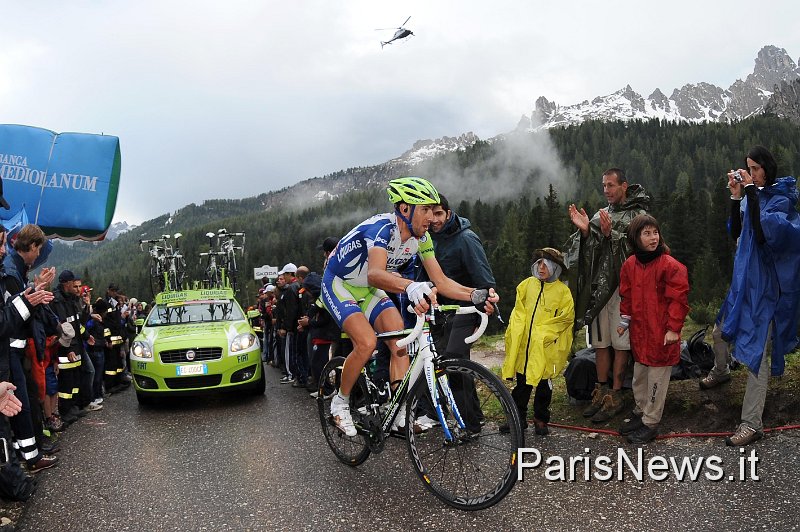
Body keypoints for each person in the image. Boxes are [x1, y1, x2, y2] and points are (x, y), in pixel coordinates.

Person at [321, 177, 498, 437]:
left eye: (433, 209)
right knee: (367, 342)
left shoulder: (421, 238)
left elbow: (441, 281)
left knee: (400, 344)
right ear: (405, 209)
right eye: (425, 209)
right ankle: (340, 402)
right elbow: (375, 274)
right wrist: (410, 286)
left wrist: (476, 295)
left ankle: (397, 410)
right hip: (339, 284)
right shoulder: (382, 229)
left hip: (367, 289)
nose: (431, 217)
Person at [714, 146, 800, 446]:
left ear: (767, 168)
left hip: (767, 287)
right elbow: (736, 230)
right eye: (747, 168)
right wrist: (736, 195)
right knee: (719, 331)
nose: (750, 173)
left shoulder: (782, 198)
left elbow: (765, 234)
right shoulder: (753, 194)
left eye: (755, 168)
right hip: (744, 280)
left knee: (756, 354)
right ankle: (720, 370)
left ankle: (751, 424)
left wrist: (750, 192)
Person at [565, 168, 650, 423]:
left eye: (611, 185)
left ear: (624, 185)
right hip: (600, 291)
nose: (606, 191)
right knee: (600, 342)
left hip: (623, 291)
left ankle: (616, 393)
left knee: (620, 343)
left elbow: (641, 247)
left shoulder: (639, 214)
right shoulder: (602, 215)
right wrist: (585, 233)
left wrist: (609, 234)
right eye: (603, 186)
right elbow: (589, 252)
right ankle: (600, 390)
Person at [425, 194, 497, 432]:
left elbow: (484, 280)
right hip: (440, 312)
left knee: (454, 362)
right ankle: (468, 415)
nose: (434, 219)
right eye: (430, 213)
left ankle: (470, 424)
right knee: (443, 362)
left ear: (448, 212)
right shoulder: (428, 240)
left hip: (466, 309)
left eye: (438, 213)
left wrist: (481, 311)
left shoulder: (466, 238)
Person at [616, 215, 689, 443]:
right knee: (639, 378)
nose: (653, 238)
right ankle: (640, 412)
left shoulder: (670, 266)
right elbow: (626, 295)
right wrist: (624, 321)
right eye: (646, 233)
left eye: (655, 232)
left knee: (656, 382)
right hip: (640, 335)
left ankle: (651, 422)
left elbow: (679, 300)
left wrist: (673, 329)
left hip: (661, 337)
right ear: (635, 238)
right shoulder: (630, 265)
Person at [502, 248, 574, 436]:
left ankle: (541, 419)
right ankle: (517, 418)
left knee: (544, 387)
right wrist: (514, 334)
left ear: (556, 267)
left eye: (546, 264)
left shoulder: (562, 292)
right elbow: (518, 312)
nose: (541, 268)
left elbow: (566, 319)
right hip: (525, 348)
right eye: (538, 263)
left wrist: (544, 334)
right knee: (522, 386)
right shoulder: (526, 285)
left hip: (546, 349)